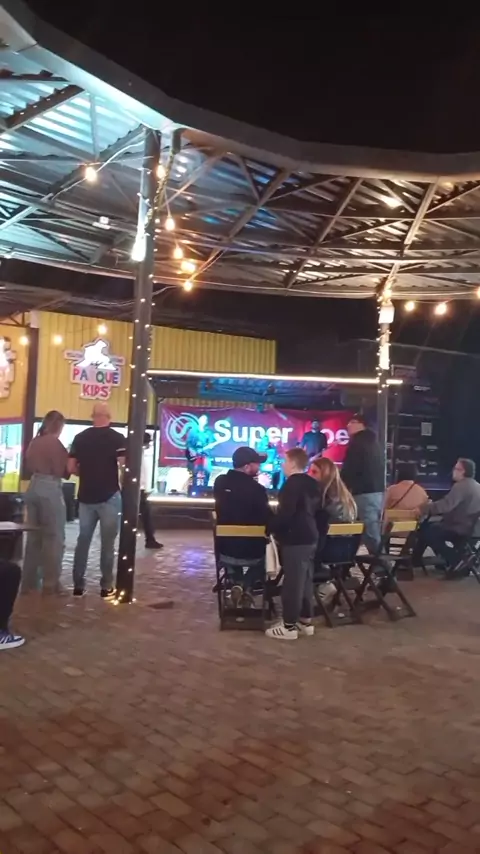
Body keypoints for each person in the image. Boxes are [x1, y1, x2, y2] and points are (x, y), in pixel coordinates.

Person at [69, 402, 126, 598]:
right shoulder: (118, 438)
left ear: (92, 416)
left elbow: (70, 467)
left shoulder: (80, 438)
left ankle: (78, 585)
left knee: (83, 540)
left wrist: (85, 472)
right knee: (108, 544)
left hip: (85, 496)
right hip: (109, 495)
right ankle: (106, 586)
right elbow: (124, 464)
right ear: (109, 416)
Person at [266, 447, 321, 640]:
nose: (282, 464)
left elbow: (286, 513)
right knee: (305, 580)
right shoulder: (313, 484)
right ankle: (305, 621)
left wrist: (270, 527)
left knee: (293, 582)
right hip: (311, 535)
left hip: (295, 537)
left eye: (284, 461)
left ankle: (289, 626)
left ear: (292, 463)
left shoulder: (291, 484)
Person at [214, 446, 270, 604]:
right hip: (253, 553)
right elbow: (267, 518)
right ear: (247, 467)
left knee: (233, 555)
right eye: (257, 464)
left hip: (225, 551)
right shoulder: (258, 490)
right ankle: (247, 585)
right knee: (270, 556)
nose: (259, 467)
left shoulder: (220, 482)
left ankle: (236, 582)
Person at [22, 410, 69, 595]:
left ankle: (29, 583)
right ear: (59, 426)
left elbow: (28, 464)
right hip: (50, 488)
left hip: (33, 486)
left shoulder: (35, 442)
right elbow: (62, 470)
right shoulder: (55, 444)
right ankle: (51, 584)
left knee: (34, 537)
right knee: (54, 538)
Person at [412, 458, 480, 568]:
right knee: (431, 528)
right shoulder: (477, 486)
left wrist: (424, 508)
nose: (453, 471)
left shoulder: (461, 486)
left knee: (427, 531)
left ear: (463, 471)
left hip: (459, 528)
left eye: (456, 468)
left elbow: (446, 505)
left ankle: (453, 558)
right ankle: (443, 561)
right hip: (473, 530)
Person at [309, 455, 358, 604]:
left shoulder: (323, 499)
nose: (309, 475)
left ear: (325, 475)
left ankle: (319, 586)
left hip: (326, 551)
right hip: (347, 552)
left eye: (314, 472)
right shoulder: (346, 497)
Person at [341, 413, 384, 553]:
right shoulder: (374, 442)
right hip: (377, 492)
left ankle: (382, 563)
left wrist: (341, 486)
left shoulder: (358, 443)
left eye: (353, 422)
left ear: (362, 424)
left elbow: (350, 468)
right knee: (369, 530)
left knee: (370, 532)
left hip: (363, 493)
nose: (348, 425)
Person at [140, 432, 163, 550]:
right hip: (138, 489)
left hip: (139, 489)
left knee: (146, 515)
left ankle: (150, 539)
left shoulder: (139, 453)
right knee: (146, 515)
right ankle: (150, 539)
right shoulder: (138, 454)